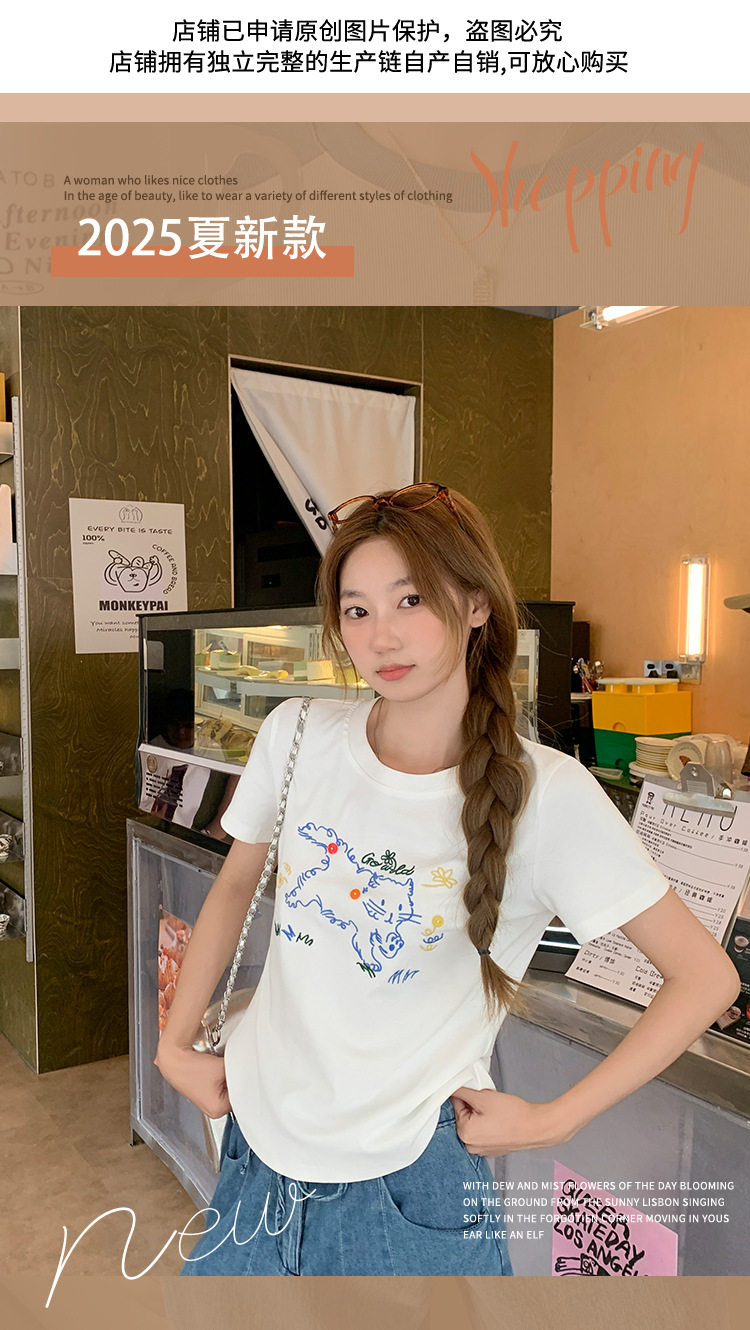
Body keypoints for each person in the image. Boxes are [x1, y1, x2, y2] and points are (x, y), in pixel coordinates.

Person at [155, 482, 740, 1278]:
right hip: (256, 1152)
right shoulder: (297, 735)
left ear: (474, 604)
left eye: (411, 599)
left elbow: (704, 977)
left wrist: (557, 1120)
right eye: (357, 610)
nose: (382, 636)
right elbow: (235, 886)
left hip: (408, 1189)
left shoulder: (549, 794)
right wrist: (173, 1042)